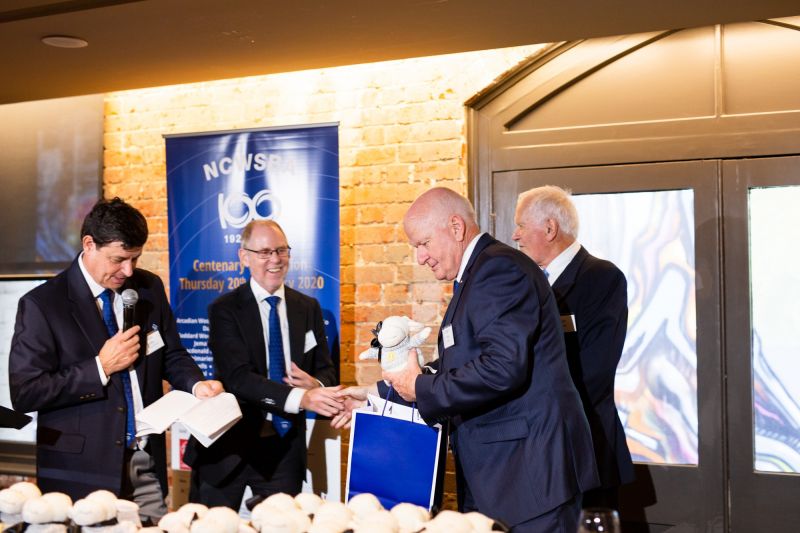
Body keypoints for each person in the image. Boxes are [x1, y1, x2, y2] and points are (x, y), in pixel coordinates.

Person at [343, 187, 599, 532]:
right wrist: (377, 393)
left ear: (456, 227)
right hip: (508, 476)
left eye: (423, 244)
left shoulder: (498, 269)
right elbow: (464, 362)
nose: (420, 258)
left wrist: (419, 387)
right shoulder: (479, 272)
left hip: (530, 478)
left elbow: (502, 367)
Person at [9, 197, 223, 523]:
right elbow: (26, 392)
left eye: (135, 259)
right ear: (89, 244)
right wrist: (101, 367)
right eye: (118, 259)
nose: (128, 270)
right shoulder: (42, 304)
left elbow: (172, 354)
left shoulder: (148, 288)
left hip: (145, 459)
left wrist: (197, 385)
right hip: (81, 470)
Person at [185, 220, 341, 509]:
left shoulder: (308, 308)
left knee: (283, 524)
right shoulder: (224, 309)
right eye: (265, 252)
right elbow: (238, 378)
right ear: (244, 257)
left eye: (281, 250)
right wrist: (301, 398)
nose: (275, 259)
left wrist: (315, 384)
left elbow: (327, 370)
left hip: (284, 449)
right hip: (228, 447)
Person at [512, 185, 634, 510]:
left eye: (521, 225)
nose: (515, 235)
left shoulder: (601, 278)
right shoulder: (527, 283)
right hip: (540, 448)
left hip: (585, 445)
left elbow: (595, 371)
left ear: (549, 228)